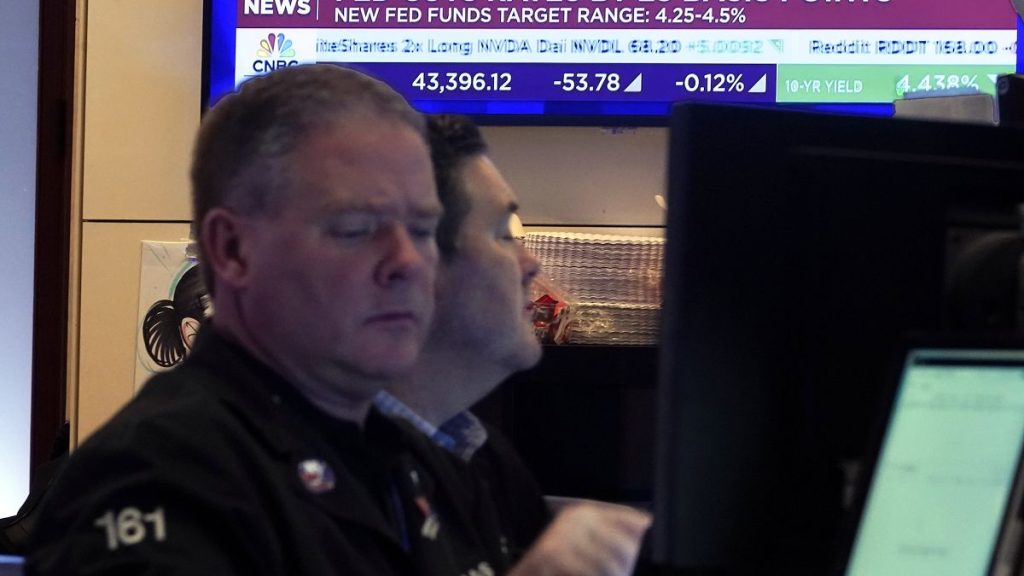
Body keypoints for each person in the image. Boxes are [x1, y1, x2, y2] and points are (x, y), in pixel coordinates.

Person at [26, 65, 509, 575]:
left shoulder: (415, 453)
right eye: (356, 228)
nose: (408, 262)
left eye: (422, 228)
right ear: (233, 250)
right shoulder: (156, 481)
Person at [376, 114, 652, 576]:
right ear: (418, 267)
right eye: (504, 234)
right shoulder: (309, 479)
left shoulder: (477, 452)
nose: (531, 263)